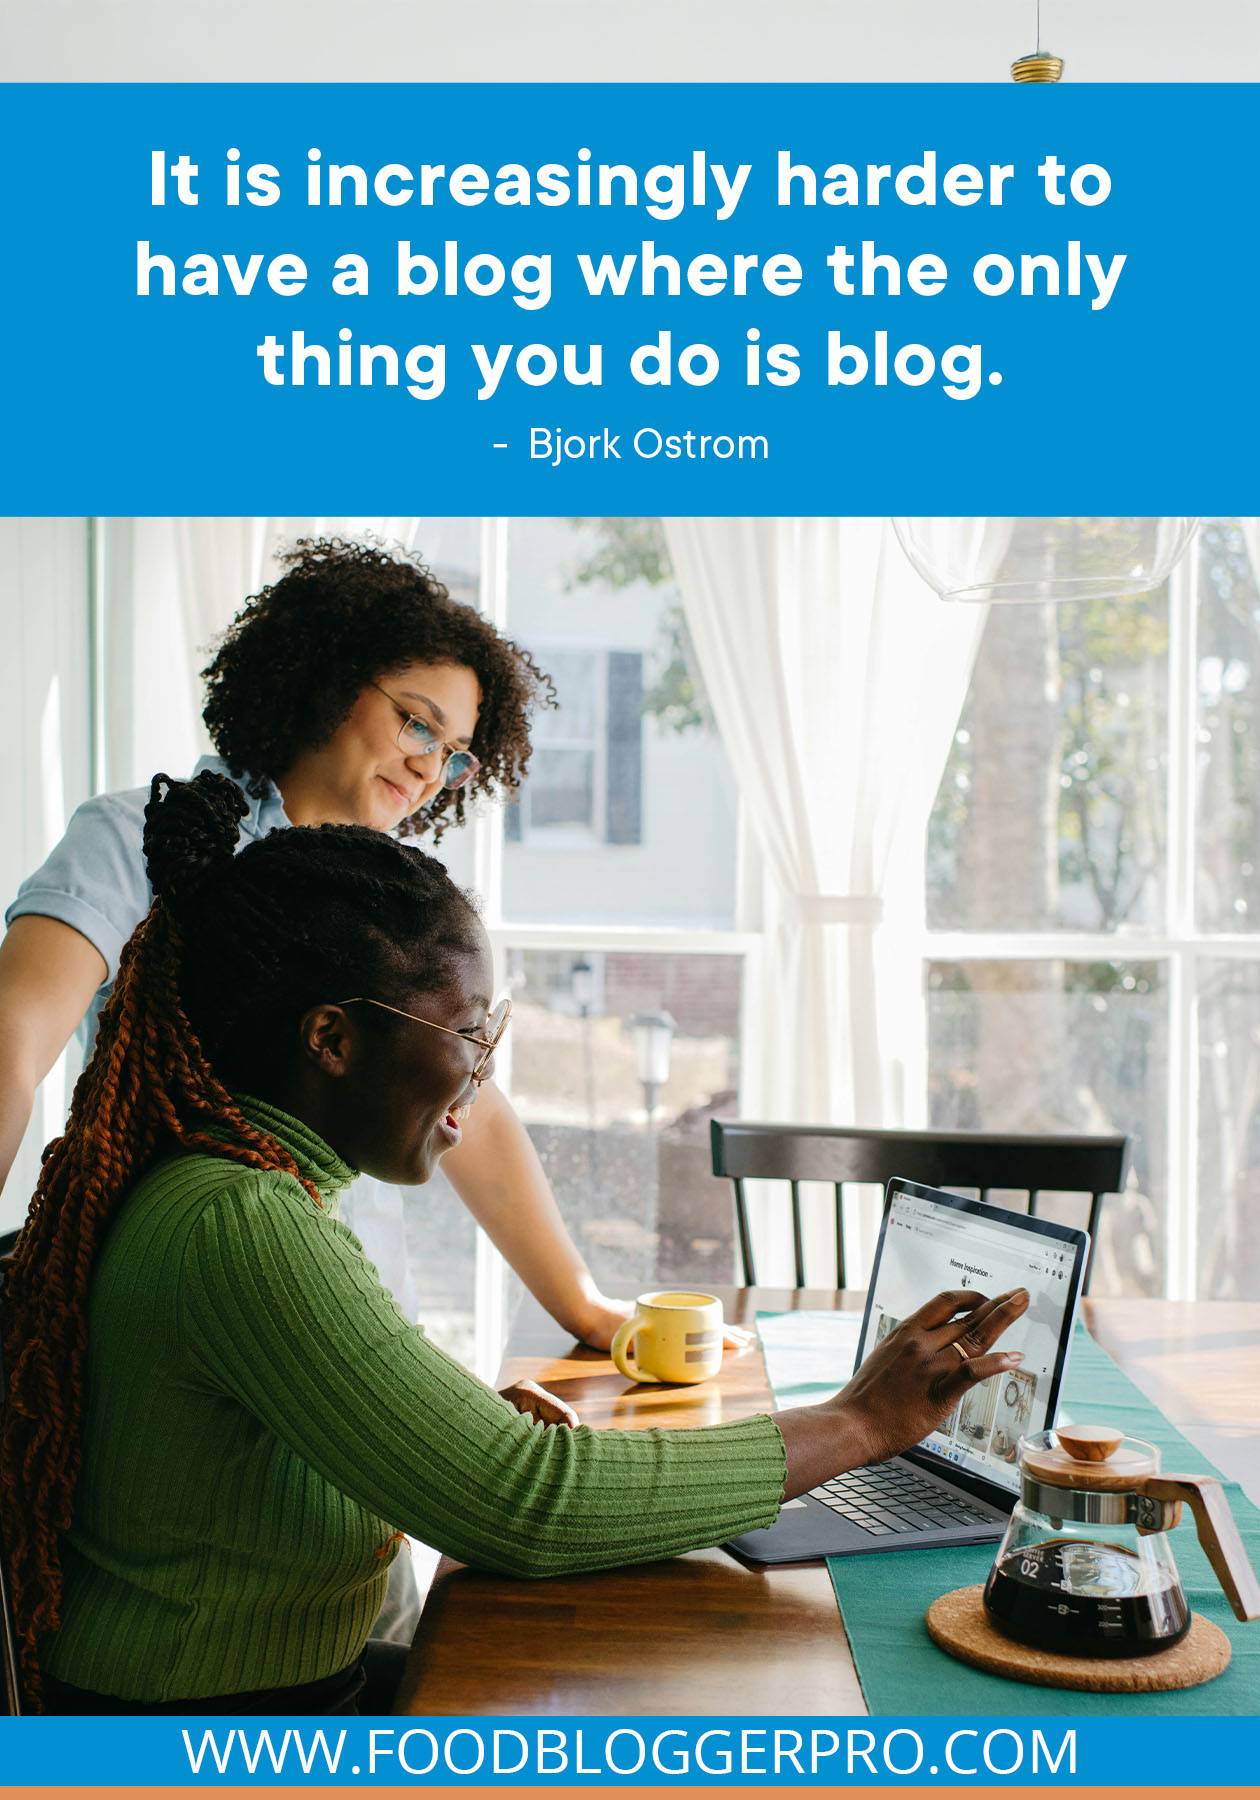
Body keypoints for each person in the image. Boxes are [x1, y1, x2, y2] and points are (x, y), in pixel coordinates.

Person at [0, 772, 1028, 1715]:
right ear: (331, 1040)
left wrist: (433, 1423)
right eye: (468, 1034)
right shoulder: (241, 1222)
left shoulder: (247, 1187)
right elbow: (522, 1508)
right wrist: (857, 1426)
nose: (480, 1079)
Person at [0, 537, 635, 1352]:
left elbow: (465, 1103)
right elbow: (14, 1041)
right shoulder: (141, 836)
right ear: (327, 681)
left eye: (452, 753)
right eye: (417, 722)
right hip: (198, 1320)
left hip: (358, 1317)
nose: (429, 766)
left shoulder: (392, 898)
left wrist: (583, 1307)